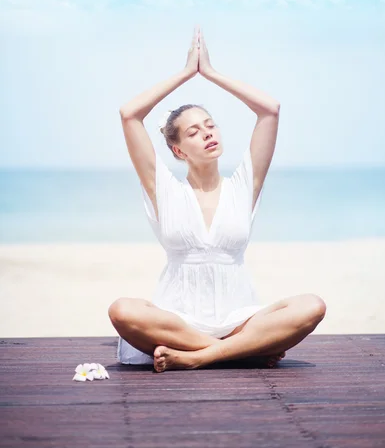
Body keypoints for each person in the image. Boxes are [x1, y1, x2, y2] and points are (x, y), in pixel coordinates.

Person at [108, 27, 326, 373]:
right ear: (178, 150)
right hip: (177, 323)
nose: (207, 133)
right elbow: (129, 114)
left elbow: (270, 109)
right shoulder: (164, 190)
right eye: (194, 131)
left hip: (241, 320)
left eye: (210, 125)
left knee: (312, 305)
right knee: (122, 310)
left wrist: (210, 73)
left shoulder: (243, 186)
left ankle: (201, 357)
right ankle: (238, 353)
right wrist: (185, 73)